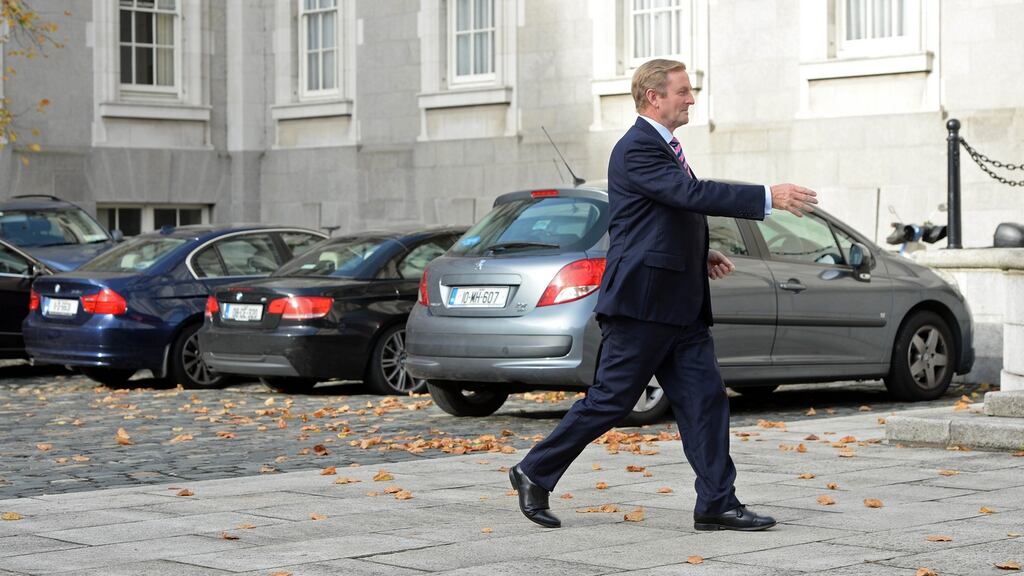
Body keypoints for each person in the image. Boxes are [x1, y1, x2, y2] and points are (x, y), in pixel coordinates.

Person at [509, 58, 818, 531]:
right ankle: (534, 471)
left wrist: (699, 254)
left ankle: (717, 503)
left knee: (705, 402)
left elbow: (657, 218)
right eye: (683, 91)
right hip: (643, 304)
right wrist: (766, 196)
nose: (691, 99)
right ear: (654, 97)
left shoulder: (663, 147)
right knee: (611, 401)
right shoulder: (637, 147)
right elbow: (689, 195)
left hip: (680, 305)